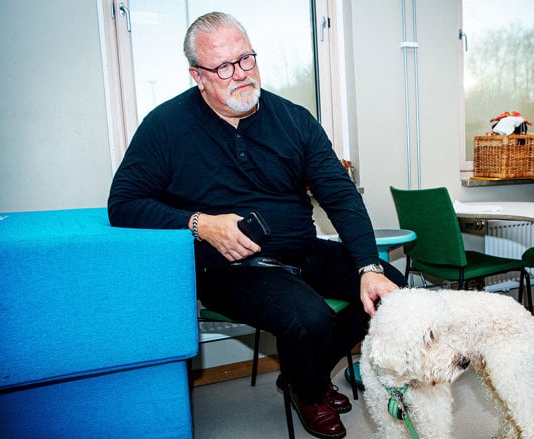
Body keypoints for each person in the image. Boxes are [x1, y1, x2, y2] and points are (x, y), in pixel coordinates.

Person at [107, 11, 405, 439]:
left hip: (301, 249)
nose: (241, 74)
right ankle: (310, 392)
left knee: (391, 289)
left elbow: (340, 195)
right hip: (228, 267)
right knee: (311, 318)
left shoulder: (294, 119)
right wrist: (201, 224)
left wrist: (368, 267)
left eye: (246, 59)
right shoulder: (165, 126)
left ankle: (304, 376)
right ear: (198, 76)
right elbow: (124, 205)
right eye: (223, 67)